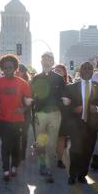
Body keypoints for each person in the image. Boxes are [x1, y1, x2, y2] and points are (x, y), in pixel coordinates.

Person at [0, 54, 32, 181]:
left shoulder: (23, 83)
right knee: (5, 145)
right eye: (5, 68)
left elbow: (29, 101)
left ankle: (14, 166)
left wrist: (24, 108)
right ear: (2, 69)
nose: (8, 70)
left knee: (16, 145)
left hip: (18, 121)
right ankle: (6, 169)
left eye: (10, 67)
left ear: (15, 68)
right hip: (3, 120)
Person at [61, 61, 98, 184]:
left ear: (93, 71)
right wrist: (73, 109)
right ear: (80, 71)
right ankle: (72, 175)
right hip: (76, 124)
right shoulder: (71, 87)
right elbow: (65, 106)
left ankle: (82, 174)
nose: (87, 70)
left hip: (92, 124)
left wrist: (97, 108)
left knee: (88, 151)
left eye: (90, 68)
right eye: (85, 68)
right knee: (75, 150)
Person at [31, 52, 65, 183]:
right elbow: (31, 96)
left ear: (52, 62)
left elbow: (64, 95)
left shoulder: (59, 78)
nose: (46, 61)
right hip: (40, 114)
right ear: (40, 61)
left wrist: (64, 101)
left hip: (55, 114)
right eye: (44, 59)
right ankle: (42, 164)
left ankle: (48, 168)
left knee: (51, 144)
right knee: (40, 143)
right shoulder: (35, 78)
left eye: (49, 59)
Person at [53, 63, 72, 169]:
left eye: (60, 70)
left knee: (61, 138)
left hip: (64, 116)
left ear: (65, 73)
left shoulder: (69, 86)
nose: (57, 72)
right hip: (51, 115)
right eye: (55, 70)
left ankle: (60, 159)